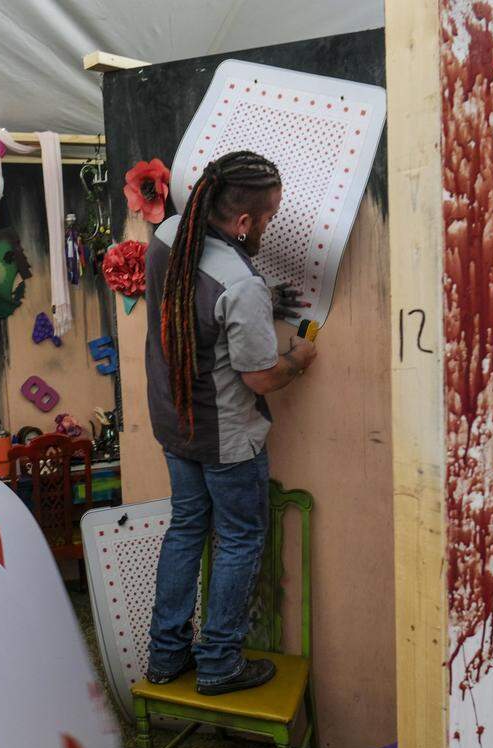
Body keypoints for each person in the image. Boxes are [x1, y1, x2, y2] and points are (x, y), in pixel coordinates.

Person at [142, 151, 317, 695]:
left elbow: (198, 299)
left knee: (187, 529)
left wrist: (257, 293)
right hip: (225, 436)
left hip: (174, 422)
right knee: (240, 539)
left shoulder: (170, 234)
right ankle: (219, 663)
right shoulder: (240, 286)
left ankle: (166, 656)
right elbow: (261, 377)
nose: (267, 226)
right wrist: (298, 360)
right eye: (266, 219)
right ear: (242, 222)